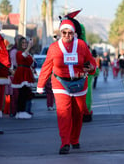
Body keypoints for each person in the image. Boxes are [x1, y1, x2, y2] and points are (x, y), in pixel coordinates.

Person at [36, 19, 96, 155]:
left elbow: (91, 63)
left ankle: (74, 139)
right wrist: (40, 85)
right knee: (63, 113)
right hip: (60, 83)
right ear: (60, 33)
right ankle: (65, 143)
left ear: (74, 33)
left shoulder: (81, 45)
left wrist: (91, 68)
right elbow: (46, 67)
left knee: (78, 113)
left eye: (70, 33)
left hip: (79, 82)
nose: (67, 35)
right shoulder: (53, 48)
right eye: (64, 33)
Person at [11, 37, 35, 119]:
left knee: (26, 93)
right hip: (21, 73)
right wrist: (28, 48)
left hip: (27, 73)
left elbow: (31, 62)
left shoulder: (27, 53)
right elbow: (22, 57)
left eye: (26, 42)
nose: (25, 44)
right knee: (22, 93)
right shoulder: (18, 52)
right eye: (23, 43)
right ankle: (20, 111)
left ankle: (23, 111)